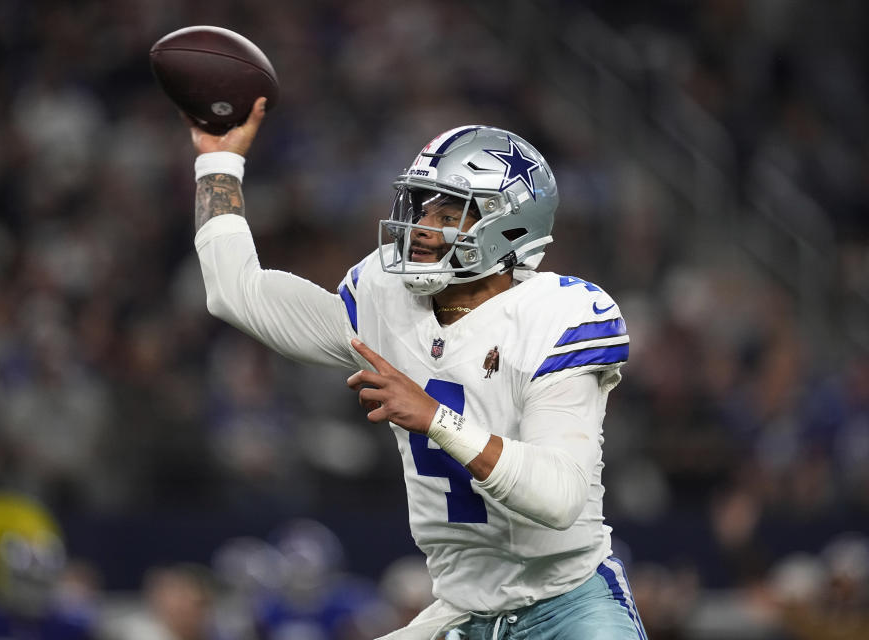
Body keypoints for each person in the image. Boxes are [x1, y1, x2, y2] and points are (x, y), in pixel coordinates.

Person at [188, 98, 645, 640]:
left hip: (567, 605)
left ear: (512, 228)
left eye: (450, 214)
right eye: (423, 208)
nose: (424, 228)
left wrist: (435, 418)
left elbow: (559, 499)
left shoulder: (558, 314)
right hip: (460, 612)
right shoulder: (385, 296)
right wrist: (218, 162)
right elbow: (236, 293)